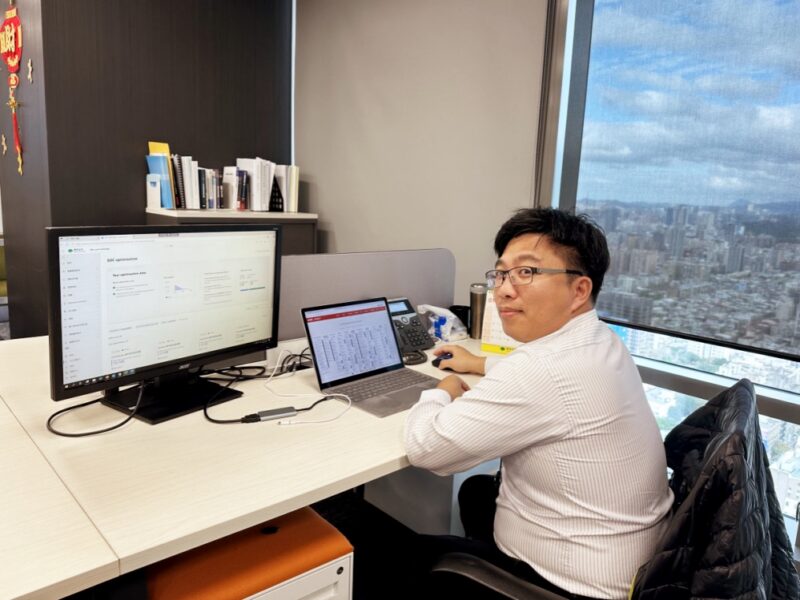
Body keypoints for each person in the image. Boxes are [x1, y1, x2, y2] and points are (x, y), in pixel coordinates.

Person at [404, 208, 673, 599]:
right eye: (501, 273)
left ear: (579, 290)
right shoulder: (600, 340)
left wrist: (441, 390)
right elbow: (551, 382)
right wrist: (480, 364)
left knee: (389, 551)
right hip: (634, 562)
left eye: (526, 272)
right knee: (476, 491)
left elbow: (426, 449)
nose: (504, 290)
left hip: (575, 585)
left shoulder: (541, 368)